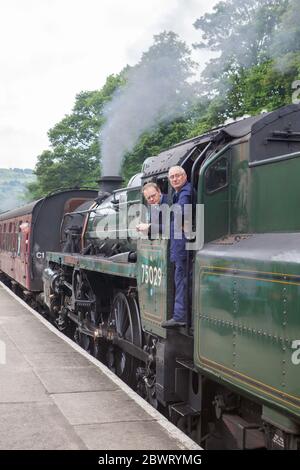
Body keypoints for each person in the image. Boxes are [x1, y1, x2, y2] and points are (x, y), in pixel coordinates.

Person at [161, 166, 192, 328]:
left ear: (185, 176)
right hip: (179, 244)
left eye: (177, 176)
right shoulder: (178, 193)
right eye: (171, 177)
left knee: (181, 279)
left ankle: (180, 316)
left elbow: (182, 211)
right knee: (180, 278)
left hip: (182, 245)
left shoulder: (185, 192)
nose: (175, 179)